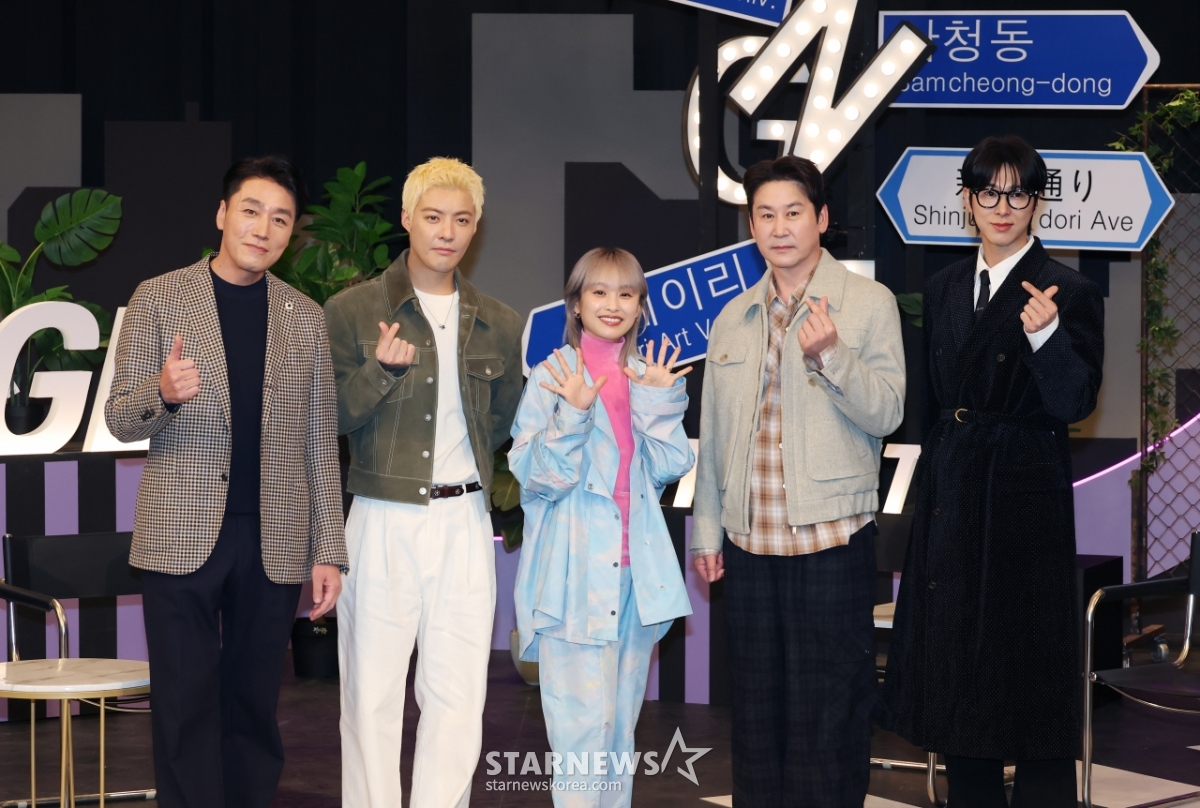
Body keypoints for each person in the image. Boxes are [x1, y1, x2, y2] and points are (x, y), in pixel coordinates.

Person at [105, 155, 346, 808]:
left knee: (253, 708)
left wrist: (328, 549)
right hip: (180, 534)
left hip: (274, 540)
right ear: (222, 214)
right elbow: (120, 418)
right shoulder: (159, 297)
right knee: (182, 707)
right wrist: (161, 393)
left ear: (291, 232)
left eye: (281, 219)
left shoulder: (304, 316)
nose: (263, 229)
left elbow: (319, 441)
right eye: (251, 211)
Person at [882, 135, 1104, 807]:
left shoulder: (1069, 289)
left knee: (1030, 679)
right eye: (988, 192)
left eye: (1018, 193)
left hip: (1024, 504)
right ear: (967, 200)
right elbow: (932, 404)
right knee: (957, 677)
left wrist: (1046, 339)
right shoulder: (945, 287)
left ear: (1037, 203)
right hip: (952, 498)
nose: (1002, 207)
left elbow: (1075, 403)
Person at [691, 155, 906, 807]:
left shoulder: (868, 304)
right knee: (756, 720)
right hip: (750, 547)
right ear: (751, 226)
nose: (779, 227)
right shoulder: (733, 316)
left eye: (793, 212)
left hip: (830, 541)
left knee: (831, 718)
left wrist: (832, 355)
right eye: (765, 215)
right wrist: (707, 531)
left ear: (822, 218)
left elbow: (888, 413)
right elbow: (714, 437)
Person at [325, 156, 524, 807]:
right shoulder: (353, 311)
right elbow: (327, 419)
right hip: (381, 515)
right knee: (371, 696)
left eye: (461, 220)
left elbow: (500, 423)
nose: (447, 232)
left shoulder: (500, 321)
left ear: (476, 227)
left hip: (464, 522)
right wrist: (379, 373)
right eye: (434, 217)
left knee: (459, 696)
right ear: (408, 218)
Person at [510, 247, 695, 805]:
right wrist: (572, 415)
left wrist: (658, 402)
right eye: (599, 291)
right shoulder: (553, 375)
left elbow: (667, 469)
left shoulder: (644, 375)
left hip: (636, 578)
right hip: (573, 580)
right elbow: (536, 479)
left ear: (640, 306)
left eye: (626, 293)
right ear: (576, 303)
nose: (613, 304)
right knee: (579, 736)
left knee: (617, 732)